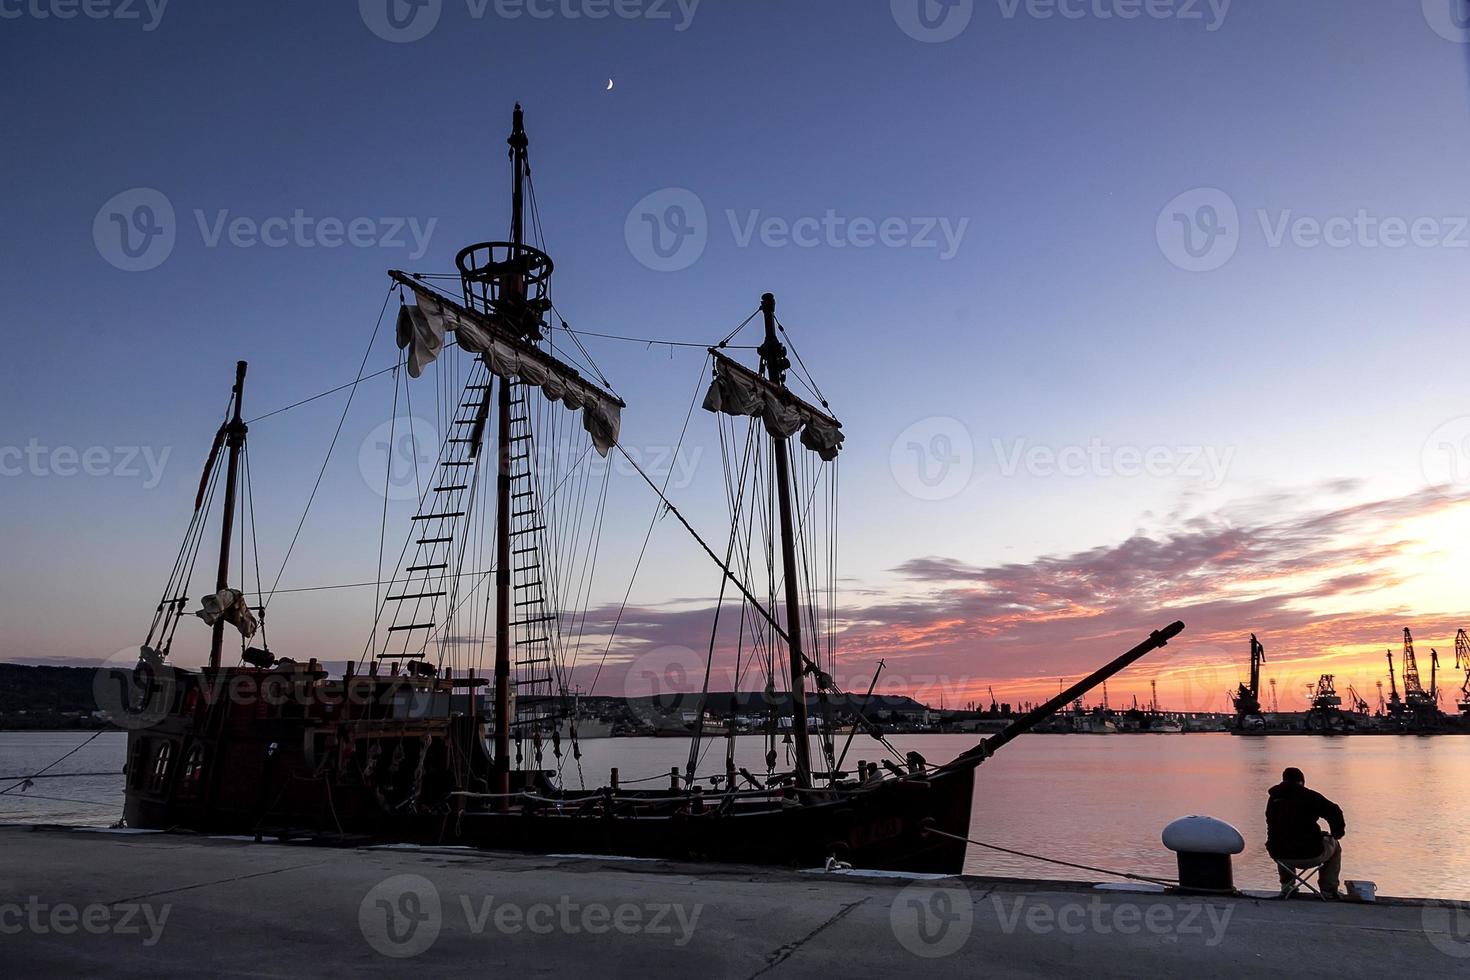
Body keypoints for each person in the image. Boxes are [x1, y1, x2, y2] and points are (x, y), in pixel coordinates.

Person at [1266, 766, 1346, 898]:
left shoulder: (1273, 800)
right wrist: (1336, 834)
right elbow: (1334, 811)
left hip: (1279, 855)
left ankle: (1287, 886)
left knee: (1281, 838)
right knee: (1335, 846)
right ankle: (1328, 890)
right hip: (1310, 853)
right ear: (1302, 782)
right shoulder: (1309, 796)